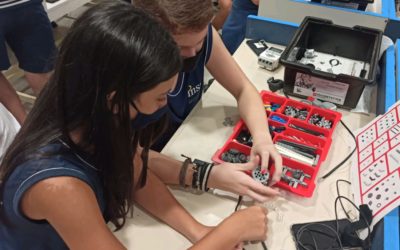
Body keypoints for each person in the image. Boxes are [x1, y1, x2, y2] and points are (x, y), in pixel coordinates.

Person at [0, 2, 268, 249]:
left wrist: (199, 231)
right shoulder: (59, 185)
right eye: (160, 96)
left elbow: (135, 175)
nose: (165, 105)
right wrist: (227, 234)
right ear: (116, 99)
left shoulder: (100, 116)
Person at [133, 0, 283, 196]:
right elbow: (126, 156)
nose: (193, 53)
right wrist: (204, 175)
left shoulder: (202, 36)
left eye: (199, 42)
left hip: (184, 143)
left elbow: (244, 88)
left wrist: (262, 138)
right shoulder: (128, 61)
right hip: (149, 168)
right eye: (181, 47)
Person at [0, 0, 56, 124]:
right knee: (41, 67)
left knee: (41, 66)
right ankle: (24, 126)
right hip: (26, 6)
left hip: (26, 4)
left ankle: (53, 121)